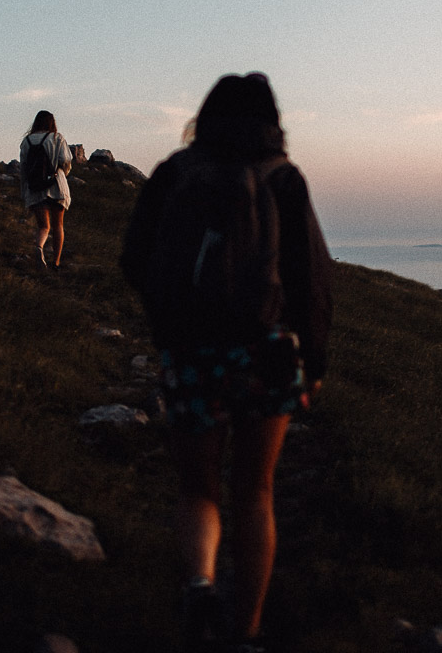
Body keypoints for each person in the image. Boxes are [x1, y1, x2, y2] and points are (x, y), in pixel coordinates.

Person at [121, 73, 333, 653]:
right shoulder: (284, 179)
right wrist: (311, 363)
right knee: (256, 491)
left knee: (198, 491)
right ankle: (247, 633)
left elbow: (135, 258)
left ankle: (198, 586)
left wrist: (170, 329)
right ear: (273, 121)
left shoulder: (174, 172)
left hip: (191, 353)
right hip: (266, 355)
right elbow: (310, 280)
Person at [19, 110, 72, 270]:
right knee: (58, 226)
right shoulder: (57, 138)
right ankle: (55, 262)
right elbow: (65, 160)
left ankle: (39, 247)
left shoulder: (26, 141)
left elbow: (23, 168)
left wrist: (24, 191)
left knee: (43, 226)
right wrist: (63, 172)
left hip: (36, 188)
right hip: (56, 186)